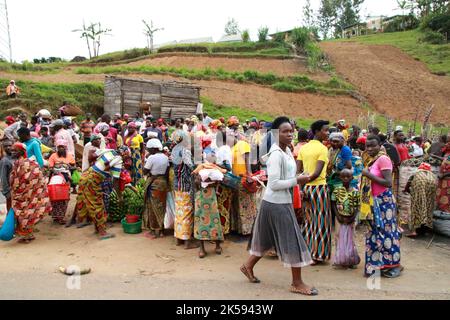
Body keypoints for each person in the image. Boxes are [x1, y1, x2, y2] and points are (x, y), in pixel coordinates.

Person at [242, 117, 317, 296]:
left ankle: (247, 266)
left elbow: (285, 177)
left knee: (266, 239)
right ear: (276, 134)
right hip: (277, 203)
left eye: (291, 131)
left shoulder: (286, 151)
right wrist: (297, 180)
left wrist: (298, 176)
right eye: (285, 131)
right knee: (293, 241)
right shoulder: (276, 154)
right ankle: (297, 283)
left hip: (277, 202)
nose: (290, 134)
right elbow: (274, 183)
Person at [361, 135, 402, 278]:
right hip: (374, 201)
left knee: (387, 233)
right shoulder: (372, 160)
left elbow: (388, 182)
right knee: (374, 233)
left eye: (373, 145)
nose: (370, 148)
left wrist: (368, 175)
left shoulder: (383, 159)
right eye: (367, 146)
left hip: (384, 202)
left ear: (380, 145)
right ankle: (378, 264)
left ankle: (394, 265)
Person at [297, 120, 331, 264]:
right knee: (320, 223)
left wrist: (300, 186)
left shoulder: (303, 148)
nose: (327, 133)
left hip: (305, 188)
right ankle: (318, 255)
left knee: (307, 222)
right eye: (325, 130)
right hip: (319, 189)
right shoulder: (323, 149)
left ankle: (305, 252)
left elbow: (297, 170)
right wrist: (308, 180)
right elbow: (317, 173)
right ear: (317, 131)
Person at [75, 149, 125, 239]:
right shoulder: (118, 161)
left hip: (85, 175)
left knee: (92, 204)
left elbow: (92, 157)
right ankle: (102, 232)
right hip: (92, 181)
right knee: (98, 205)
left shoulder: (108, 152)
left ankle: (97, 228)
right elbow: (116, 182)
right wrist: (119, 197)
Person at [10, 142, 51, 243]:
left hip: (25, 193)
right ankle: (29, 234)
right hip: (26, 193)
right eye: (12, 150)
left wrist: (24, 189)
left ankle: (27, 236)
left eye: (15, 150)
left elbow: (17, 179)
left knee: (24, 214)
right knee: (28, 213)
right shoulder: (26, 163)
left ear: (22, 151)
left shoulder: (23, 163)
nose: (12, 152)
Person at [331, 169, 361, 268]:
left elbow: (357, 206)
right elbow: (333, 203)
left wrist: (352, 217)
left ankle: (351, 259)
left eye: (348, 177)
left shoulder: (356, 192)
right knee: (339, 237)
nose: (345, 178)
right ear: (340, 178)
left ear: (352, 178)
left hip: (351, 218)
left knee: (351, 238)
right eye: (343, 177)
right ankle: (340, 259)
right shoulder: (337, 190)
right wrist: (338, 216)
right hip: (339, 218)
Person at [231, 129, 257, 236]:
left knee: (239, 205)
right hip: (244, 179)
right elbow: (247, 160)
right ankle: (247, 230)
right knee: (247, 205)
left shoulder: (233, 148)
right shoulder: (243, 144)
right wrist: (250, 175)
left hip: (236, 179)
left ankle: (240, 229)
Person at [143, 139, 169, 239]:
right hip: (163, 183)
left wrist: (150, 174)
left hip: (154, 183)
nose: (148, 151)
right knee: (162, 206)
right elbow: (166, 172)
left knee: (152, 207)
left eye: (149, 149)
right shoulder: (165, 157)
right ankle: (162, 231)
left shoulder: (152, 158)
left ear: (154, 149)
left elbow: (145, 171)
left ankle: (154, 231)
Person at [404, 162, 437, 237]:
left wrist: (406, 190)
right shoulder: (432, 175)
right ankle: (425, 230)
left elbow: (408, 183)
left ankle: (414, 231)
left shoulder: (417, 173)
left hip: (420, 185)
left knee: (417, 206)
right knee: (428, 206)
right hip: (432, 185)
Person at [48, 139, 76, 225]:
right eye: (59, 147)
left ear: (65, 148)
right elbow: (50, 167)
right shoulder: (53, 156)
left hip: (66, 180)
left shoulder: (69, 156)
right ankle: (56, 216)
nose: (60, 149)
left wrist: (66, 167)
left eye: (62, 147)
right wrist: (56, 170)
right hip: (56, 179)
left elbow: (73, 166)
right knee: (55, 197)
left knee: (64, 198)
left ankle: (60, 216)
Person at [0, 140, 14, 210]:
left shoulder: (15, 157)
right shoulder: (4, 161)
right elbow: (3, 178)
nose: (8, 147)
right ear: (3, 148)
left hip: (17, 190)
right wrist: (7, 192)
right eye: (6, 146)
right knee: (10, 210)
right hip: (10, 191)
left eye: (10, 145)